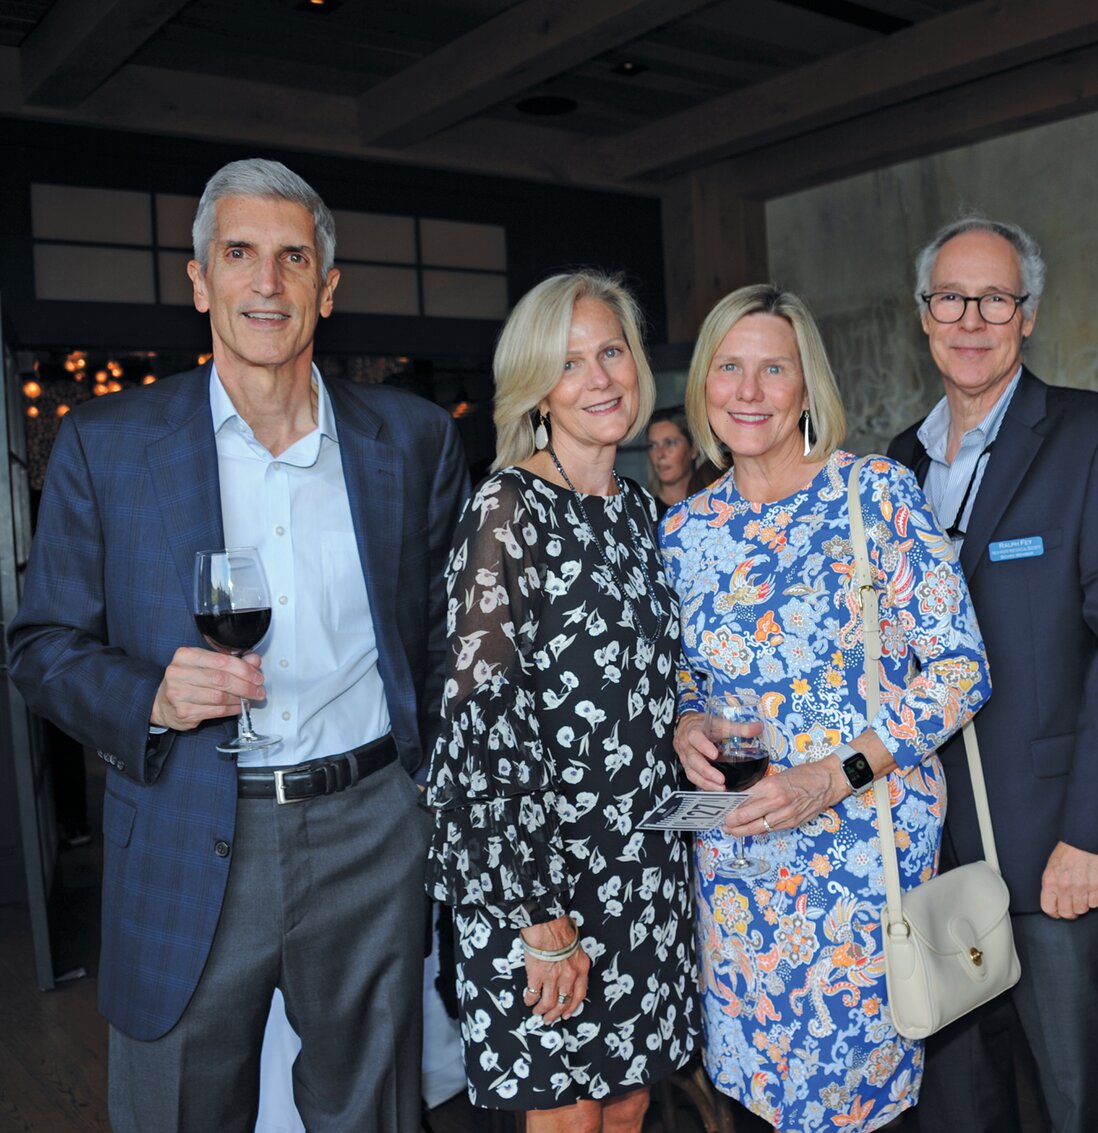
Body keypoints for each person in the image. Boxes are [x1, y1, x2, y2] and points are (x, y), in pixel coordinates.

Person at [5, 158, 469, 1132]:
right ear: (199, 279)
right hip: (186, 823)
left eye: (293, 257)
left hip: (368, 828)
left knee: (369, 1113)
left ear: (327, 289)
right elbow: (40, 644)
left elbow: (441, 635)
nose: (267, 282)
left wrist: (426, 794)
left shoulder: (414, 439)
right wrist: (149, 697)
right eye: (241, 254)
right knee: (181, 1106)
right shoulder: (107, 443)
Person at [660, 283, 991, 1133]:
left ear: (808, 387)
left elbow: (961, 669)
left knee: (859, 1111)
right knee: (760, 1103)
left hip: (858, 871)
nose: (749, 390)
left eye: (775, 368)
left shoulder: (874, 495)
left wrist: (832, 775)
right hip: (737, 877)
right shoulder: (683, 532)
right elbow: (686, 678)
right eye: (729, 368)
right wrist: (687, 721)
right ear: (703, 386)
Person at [890, 218, 1098, 1133]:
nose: (972, 318)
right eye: (951, 298)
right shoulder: (895, 464)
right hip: (929, 857)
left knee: (1081, 1103)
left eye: (995, 297)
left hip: (1057, 856)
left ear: (1029, 314)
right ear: (924, 316)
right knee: (959, 1110)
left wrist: (1095, 833)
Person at [425, 271, 700, 1132]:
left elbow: (655, 678)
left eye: (611, 351)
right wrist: (539, 913)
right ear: (537, 389)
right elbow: (480, 724)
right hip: (539, 875)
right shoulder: (505, 510)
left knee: (627, 1107)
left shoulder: (633, 514)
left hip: (641, 866)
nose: (601, 377)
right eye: (571, 361)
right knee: (567, 1119)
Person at [645, 404, 716, 509]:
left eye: (669, 443)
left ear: (694, 449)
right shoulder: (644, 511)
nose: (660, 454)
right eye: (653, 445)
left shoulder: (715, 504)